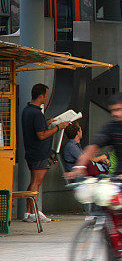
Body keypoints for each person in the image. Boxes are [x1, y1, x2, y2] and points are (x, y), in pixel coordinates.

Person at [67, 92, 122, 257]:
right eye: (113, 110)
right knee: (101, 202)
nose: (116, 113)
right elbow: (93, 146)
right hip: (121, 173)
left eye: (120, 109)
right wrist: (79, 166)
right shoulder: (112, 127)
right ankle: (114, 241)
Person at [20, 83, 70, 223]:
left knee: (33, 182)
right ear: (41, 95)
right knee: (36, 182)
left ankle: (29, 212)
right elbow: (41, 135)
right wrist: (59, 127)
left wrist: (47, 123)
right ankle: (33, 212)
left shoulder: (27, 110)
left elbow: (35, 129)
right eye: (46, 95)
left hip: (31, 151)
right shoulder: (36, 113)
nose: (46, 98)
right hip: (39, 152)